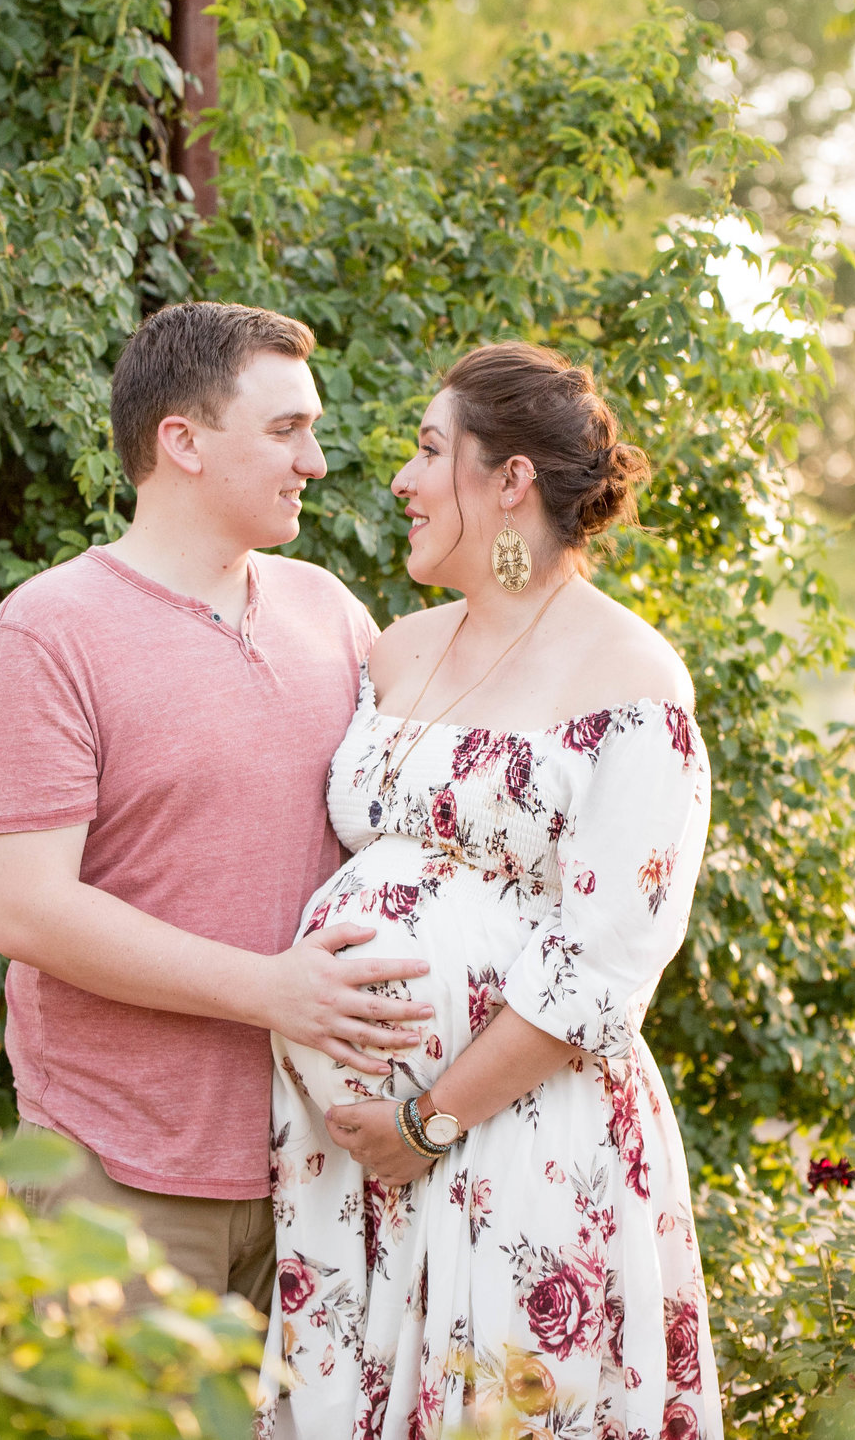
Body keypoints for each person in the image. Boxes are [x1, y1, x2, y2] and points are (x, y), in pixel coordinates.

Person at [265, 343, 722, 1440]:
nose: (401, 481)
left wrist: (427, 1119)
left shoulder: (633, 679)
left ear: (509, 479)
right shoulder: (399, 651)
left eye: (430, 451)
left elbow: (605, 965)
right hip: (347, 1168)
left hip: (517, 1145)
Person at [0, 301, 437, 1313]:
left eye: (310, 428)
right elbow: (29, 910)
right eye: (284, 430)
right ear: (180, 440)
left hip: (323, 1171)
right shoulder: (49, 631)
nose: (314, 460)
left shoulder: (331, 613)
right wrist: (271, 989)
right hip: (116, 1175)